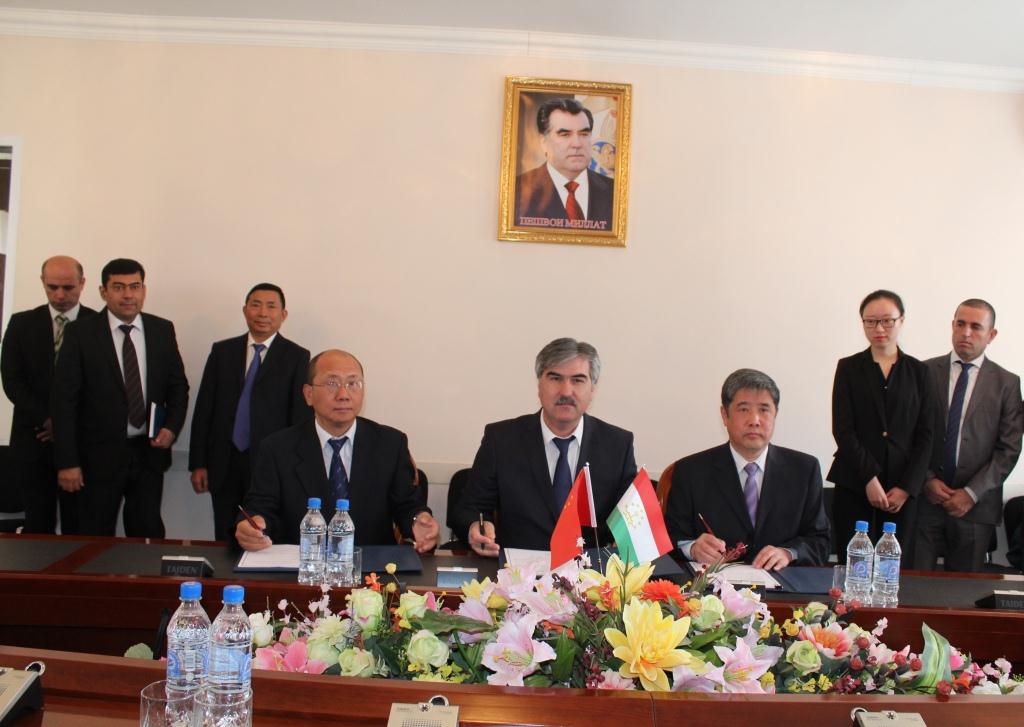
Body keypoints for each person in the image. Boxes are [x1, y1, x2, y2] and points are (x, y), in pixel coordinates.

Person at [236, 349, 439, 553]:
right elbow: (261, 507)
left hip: (371, 565)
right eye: (332, 383)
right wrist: (254, 525)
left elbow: (407, 505)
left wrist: (418, 520)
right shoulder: (277, 447)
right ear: (308, 394)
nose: (343, 395)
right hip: (302, 563)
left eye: (353, 383)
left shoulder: (390, 444)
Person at [454, 337, 637, 556]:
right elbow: (469, 509)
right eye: (555, 378)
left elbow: (632, 520)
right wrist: (476, 527)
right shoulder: (501, 440)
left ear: (592, 390)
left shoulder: (617, 445)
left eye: (578, 380)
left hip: (589, 571)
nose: (566, 391)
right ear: (539, 385)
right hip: (517, 570)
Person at [51, 258, 189, 537]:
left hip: (148, 455)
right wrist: (67, 462)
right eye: (118, 287)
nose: (128, 295)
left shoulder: (161, 329)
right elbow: (64, 402)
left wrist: (171, 428)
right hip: (96, 459)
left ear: (143, 290)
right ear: (103, 291)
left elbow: (178, 387)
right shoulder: (81, 333)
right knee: (93, 538)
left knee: (147, 535)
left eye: (134, 286)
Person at [665, 369, 831, 570]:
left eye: (764, 409)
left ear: (775, 414)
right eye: (743, 409)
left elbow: (820, 542)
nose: (754, 420)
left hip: (782, 584)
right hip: (714, 584)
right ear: (724, 415)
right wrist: (692, 548)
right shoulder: (690, 471)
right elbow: (671, 537)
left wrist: (788, 553)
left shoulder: (804, 470)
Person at [188, 283, 311, 541]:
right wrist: (198, 462)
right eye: (256, 305)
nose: (263, 313)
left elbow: (299, 418)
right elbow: (204, 409)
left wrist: (292, 469)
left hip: (269, 465)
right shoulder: (222, 351)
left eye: (271, 306)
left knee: (263, 535)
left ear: (283, 314)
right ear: (245, 310)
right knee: (224, 534)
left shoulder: (296, 356)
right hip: (224, 462)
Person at [915, 299, 1023, 572]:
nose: (966, 333)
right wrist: (927, 479)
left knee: (965, 591)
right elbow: (909, 435)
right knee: (913, 585)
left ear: (991, 335)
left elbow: (1009, 449)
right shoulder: (923, 372)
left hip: (976, 508)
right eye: (960, 324)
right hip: (924, 503)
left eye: (976, 327)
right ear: (952, 325)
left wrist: (971, 493)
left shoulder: (1007, 383)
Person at [828, 290, 933, 564]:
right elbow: (843, 430)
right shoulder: (848, 368)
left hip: (902, 488)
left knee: (895, 567)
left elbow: (926, 436)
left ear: (902, 320)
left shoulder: (920, 372)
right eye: (871, 321)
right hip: (855, 481)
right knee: (854, 564)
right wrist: (869, 478)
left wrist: (907, 487)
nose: (879, 329)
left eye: (887, 320)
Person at [1, 256, 96, 533]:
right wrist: (48, 419)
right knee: (37, 525)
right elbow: (12, 381)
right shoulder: (21, 324)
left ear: (82, 283)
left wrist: (65, 425)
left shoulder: (98, 325)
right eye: (52, 287)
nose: (60, 295)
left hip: (82, 445)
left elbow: (103, 388)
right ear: (42, 282)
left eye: (68, 287)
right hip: (33, 441)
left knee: (79, 526)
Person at [514, 97, 614, 232]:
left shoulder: (615, 191)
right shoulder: (516, 191)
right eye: (565, 135)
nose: (577, 144)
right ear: (544, 142)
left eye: (584, 134)